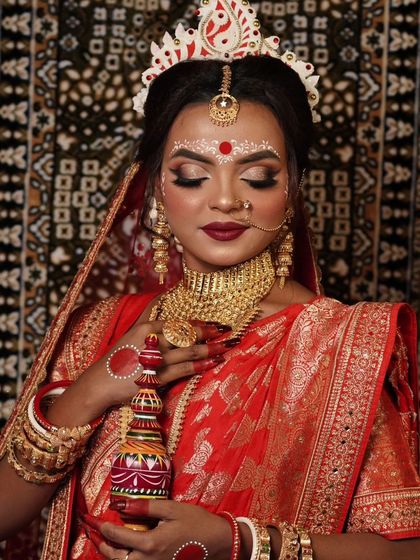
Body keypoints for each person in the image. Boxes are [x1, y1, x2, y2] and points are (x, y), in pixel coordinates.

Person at [0, 1, 419, 559]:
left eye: (259, 176)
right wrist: (90, 392)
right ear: (154, 192)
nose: (225, 199)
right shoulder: (102, 328)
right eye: (192, 175)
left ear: (292, 190)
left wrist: (239, 543)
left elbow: (404, 549)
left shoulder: (344, 346)